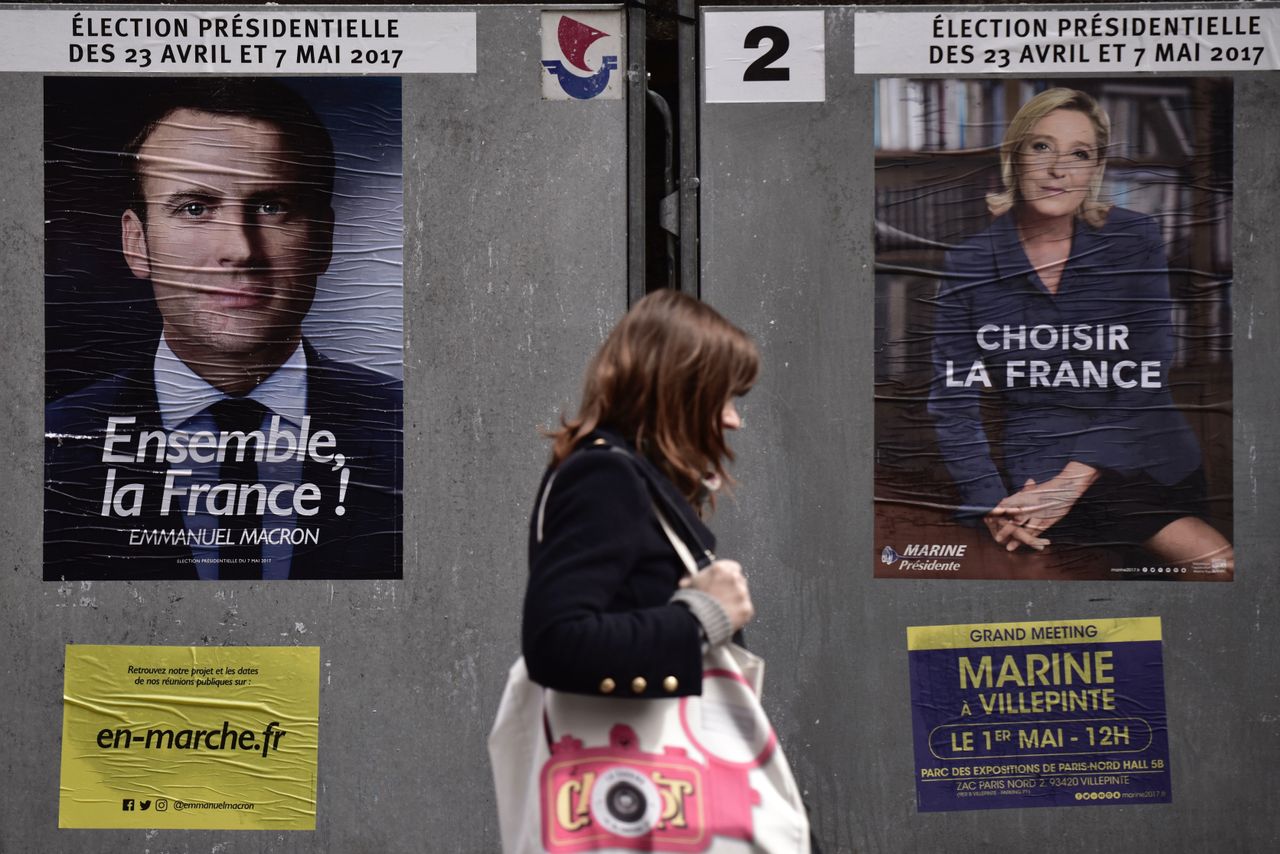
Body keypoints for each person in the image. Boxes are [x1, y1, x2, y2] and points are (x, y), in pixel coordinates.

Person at [44, 78, 401, 581]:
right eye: (194, 208)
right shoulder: (45, 452)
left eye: (272, 206)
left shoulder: (412, 434)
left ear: (323, 238)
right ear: (137, 243)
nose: (240, 249)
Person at [928, 87, 1233, 569]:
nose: (1058, 169)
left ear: (1096, 169)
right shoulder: (968, 264)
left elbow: (1145, 377)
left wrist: (1072, 481)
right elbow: (953, 403)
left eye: (1080, 154)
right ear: (1015, 156)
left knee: (1215, 567)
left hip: (1143, 453)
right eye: (1042, 147)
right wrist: (991, 503)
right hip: (1038, 469)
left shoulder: (1136, 239)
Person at [522, 289, 757, 700]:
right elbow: (554, 642)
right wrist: (703, 616)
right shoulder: (606, 475)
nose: (734, 421)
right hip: (630, 759)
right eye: (724, 397)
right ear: (680, 390)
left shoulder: (624, 473)